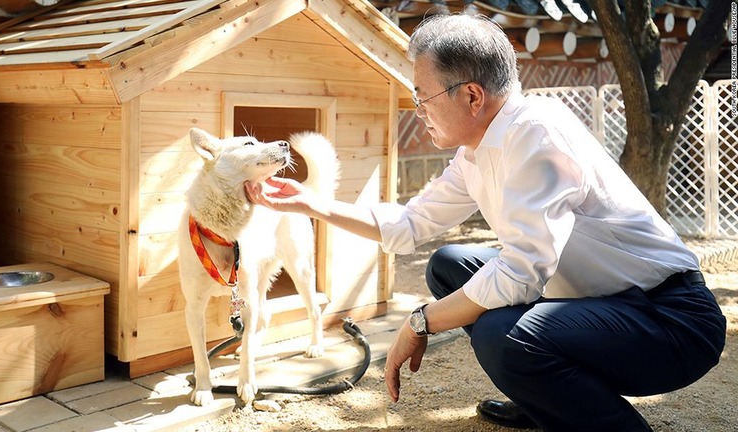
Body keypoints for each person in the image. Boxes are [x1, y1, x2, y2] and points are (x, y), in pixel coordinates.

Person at [244, 13, 726, 432]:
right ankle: (547, 400)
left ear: (472, 95)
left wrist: (420, 321)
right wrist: (310, 204)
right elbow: (409, 224)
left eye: (423, 96)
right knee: (451, 264)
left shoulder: (535, 135)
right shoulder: (477, 149)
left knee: (507, 337)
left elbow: (520, 273)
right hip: (598, 300)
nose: (419, 110)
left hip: (669, 320)